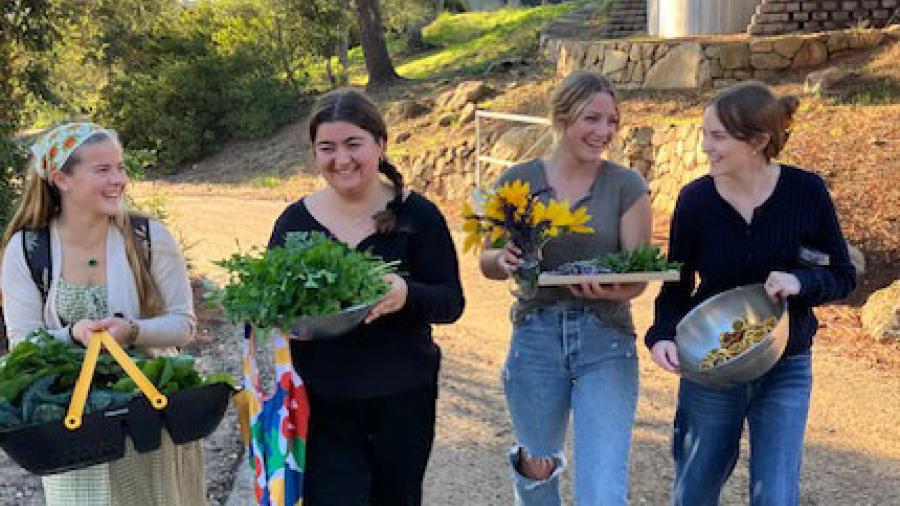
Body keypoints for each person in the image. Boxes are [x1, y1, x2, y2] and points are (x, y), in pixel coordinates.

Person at [645, 82, 856, 506]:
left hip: (787, 364)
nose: (706, 147)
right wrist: (663, 335)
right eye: (705, 135)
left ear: (759, 141)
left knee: (776, 495)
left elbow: (843, 275)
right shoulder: (695, 201)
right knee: (696, 490)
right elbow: (676, 287)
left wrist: (802, 283)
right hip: (710, 366)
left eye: (718, 136)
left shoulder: (806, 192)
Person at [267, 89, 465, 506]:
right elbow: (272, 303)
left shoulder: (418, 215)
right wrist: (287, 323)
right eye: (327, 148)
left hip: (403, 396)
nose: (341, 159)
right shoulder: (295, 222)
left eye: (353, 144)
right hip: (322, 403)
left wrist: (407, 293)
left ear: (380, 143)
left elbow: (451, 302)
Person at [0, 122, 202, 505]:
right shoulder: (26, 250)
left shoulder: (149, 238)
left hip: (152, 412)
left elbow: (183, 325)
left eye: (121, 168)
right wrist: (72, 334)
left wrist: (132, 331)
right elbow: (23, 343)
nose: (120, 180)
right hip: (72, 425)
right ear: (61, 179)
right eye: (103, 170)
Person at [479, 71, 652, 505]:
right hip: (534, 337)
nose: (603, 132)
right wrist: (502, 259)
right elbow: (487, 259)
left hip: (606, 340)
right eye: (591, 119)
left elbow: (638, 275)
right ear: (561, 116)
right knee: (536, 468)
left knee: (603, 487)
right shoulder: (517, 181)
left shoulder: (626, 186)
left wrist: (614, 290)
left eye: (611, 121)